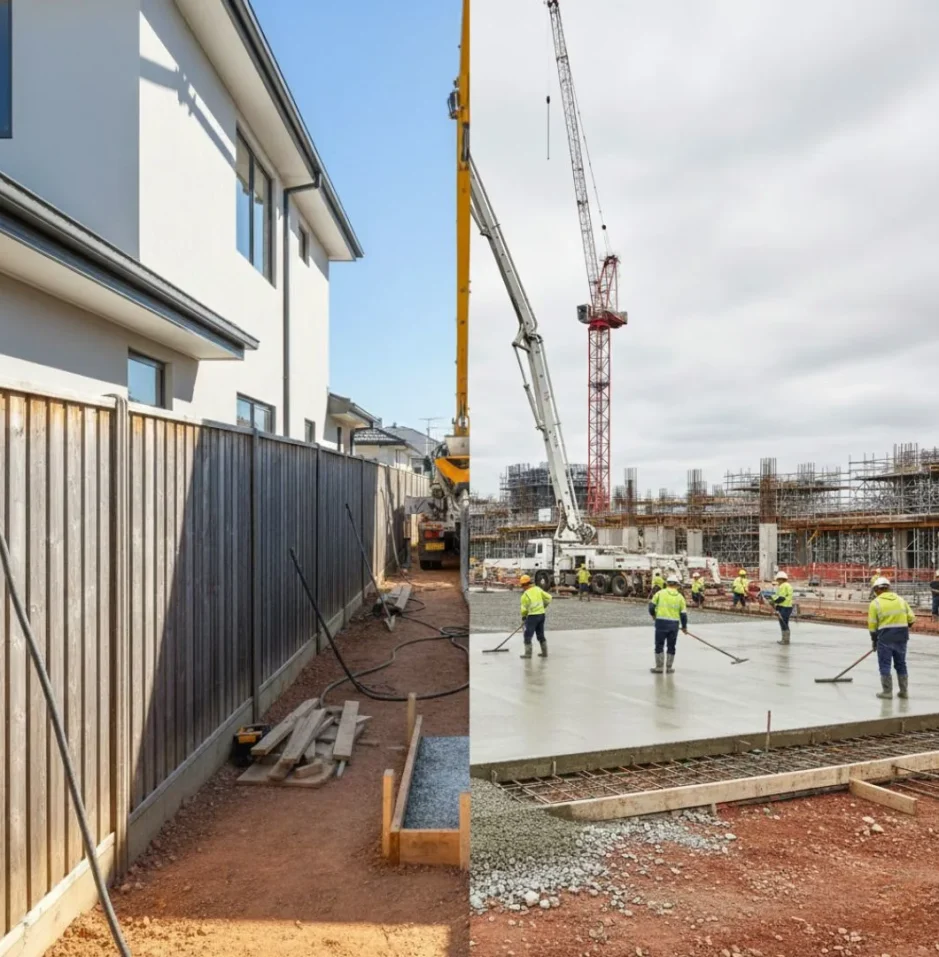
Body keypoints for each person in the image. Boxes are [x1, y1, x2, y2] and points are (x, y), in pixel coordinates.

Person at [868, 576, 914, 699]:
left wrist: (874, 640)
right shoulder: (900, 600)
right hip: (901, 636)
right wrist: (903, 626)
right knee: (901, 663)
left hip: (885, 638)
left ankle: (887, 692)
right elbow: (912, 619)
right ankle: (904, 691)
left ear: (877, 589)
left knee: (885, 664)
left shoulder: (875, 603)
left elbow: (872, 626)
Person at [649, 573, 688, 674]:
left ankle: (659, 667)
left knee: (659, 644)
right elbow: (683, 615)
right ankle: (669, 668)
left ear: (667, 583)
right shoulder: (680, 598)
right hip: (674, 625)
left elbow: (651, 607)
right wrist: (684, 627)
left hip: (661, 623)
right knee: (671, 645)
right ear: (676, 585)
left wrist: (653, 615)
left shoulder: (660, 593)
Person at [519, 574, 552, 659]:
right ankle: (545, 653)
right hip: (541, 615)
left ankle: (528, 654)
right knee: (540, 634)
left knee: (527, 635)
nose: (522, 587)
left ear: (525, 585)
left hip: (532, 617)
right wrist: (543, 606)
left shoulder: (525, 595)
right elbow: (549, 598)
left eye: (522, 585)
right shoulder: (537, 589)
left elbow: (524, 609)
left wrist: (524, 617)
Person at [771, 570, 794, 645]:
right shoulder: (788, 585)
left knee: (783, 623)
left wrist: (773, 600)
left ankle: (785, 640)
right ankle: (785, 639)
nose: (777, 581)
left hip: (784, 607)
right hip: (787, 606)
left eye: (778, 579)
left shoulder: (783, 586)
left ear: (781, 579)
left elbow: (781, 598)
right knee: (785, 623)